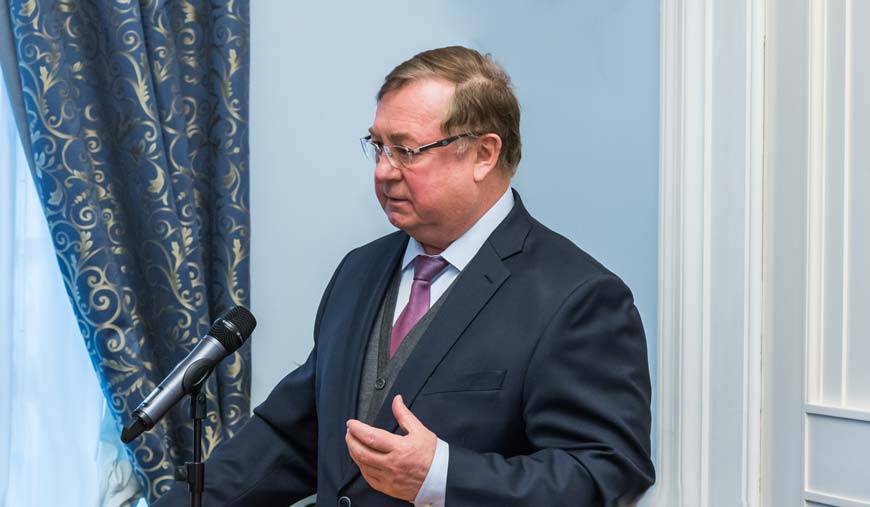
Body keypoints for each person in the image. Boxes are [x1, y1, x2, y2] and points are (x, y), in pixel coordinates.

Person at [154, 45, 654, 507]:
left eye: (406, 150)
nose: (383, 171)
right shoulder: (359, 271)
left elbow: (605, 474)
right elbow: (293, 438)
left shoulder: (577, 297)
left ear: (483, 154)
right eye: (378, 147)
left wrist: (441, 476)